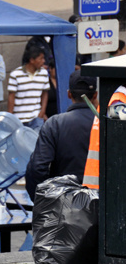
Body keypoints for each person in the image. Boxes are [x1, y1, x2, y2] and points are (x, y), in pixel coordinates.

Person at [25, 70, 98, 200]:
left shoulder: (54, 124)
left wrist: (41, 200)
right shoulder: (106, 124)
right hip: (102, 203)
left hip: (64, 204)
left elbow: (37, 168)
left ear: (69, 94)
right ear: (95, 95)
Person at [8, 43, 50, 131]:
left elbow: (45, 93)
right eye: (41, 58)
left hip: (36, 118)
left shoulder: (44, 73)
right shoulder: (15, 74)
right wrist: (10, 118)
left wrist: (42, 112)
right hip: (18, 119)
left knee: (36, 143)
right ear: (32, 60)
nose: (43, 61)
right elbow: (11, 97)